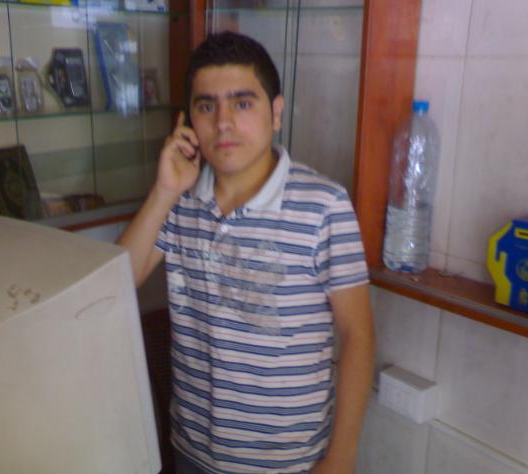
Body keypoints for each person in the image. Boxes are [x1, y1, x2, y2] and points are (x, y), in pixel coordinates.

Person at [118, 31, 375, 474]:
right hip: (193, 450)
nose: (223, 122)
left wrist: (342, 457)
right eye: (206, 106)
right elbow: (118, 282)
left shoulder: (323, 205)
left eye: (242, 103)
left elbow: (358, 336)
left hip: (288, 461)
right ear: (187, 121)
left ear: (275, 113)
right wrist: (163, 191)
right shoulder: (179, 199)